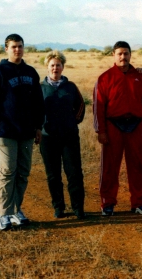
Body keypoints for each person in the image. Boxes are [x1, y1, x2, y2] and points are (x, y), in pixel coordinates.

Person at [0, 33, 45, 231]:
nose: (17, 50)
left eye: (20, 46)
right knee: (7, 171)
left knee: (23, 172)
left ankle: (16, 209)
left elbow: (38, 103)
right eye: (13, 47)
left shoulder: (31, 72)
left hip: (27, 131)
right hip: (5, 130)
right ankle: (3, 213)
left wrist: (38, 127)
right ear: (6, 49)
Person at [93, 41, 142, 216]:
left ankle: (139, 203)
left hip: (136, 125)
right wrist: (101, 131)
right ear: (113, 54)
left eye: (126, 53)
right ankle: (108, 203)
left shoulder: (140, 77)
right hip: (113, 125)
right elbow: (98, 107)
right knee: (110, 167)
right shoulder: (105, 78)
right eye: (120, 53)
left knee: (138, 166)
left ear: (130, 55)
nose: (123, 57)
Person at [39, 50, 87, 219]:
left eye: (58, 65)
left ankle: (78, 208)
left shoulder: (71, 87)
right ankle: (58, 207)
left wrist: (72, 123)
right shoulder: (40, 88)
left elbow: (80, 105)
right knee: (53, 175)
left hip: (69, 137)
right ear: (47, 67)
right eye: (52, 65)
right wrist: (40, 127)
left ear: (63, 67)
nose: (55, 68)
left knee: (74, 172)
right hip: (47, 137)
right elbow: (35, 111)